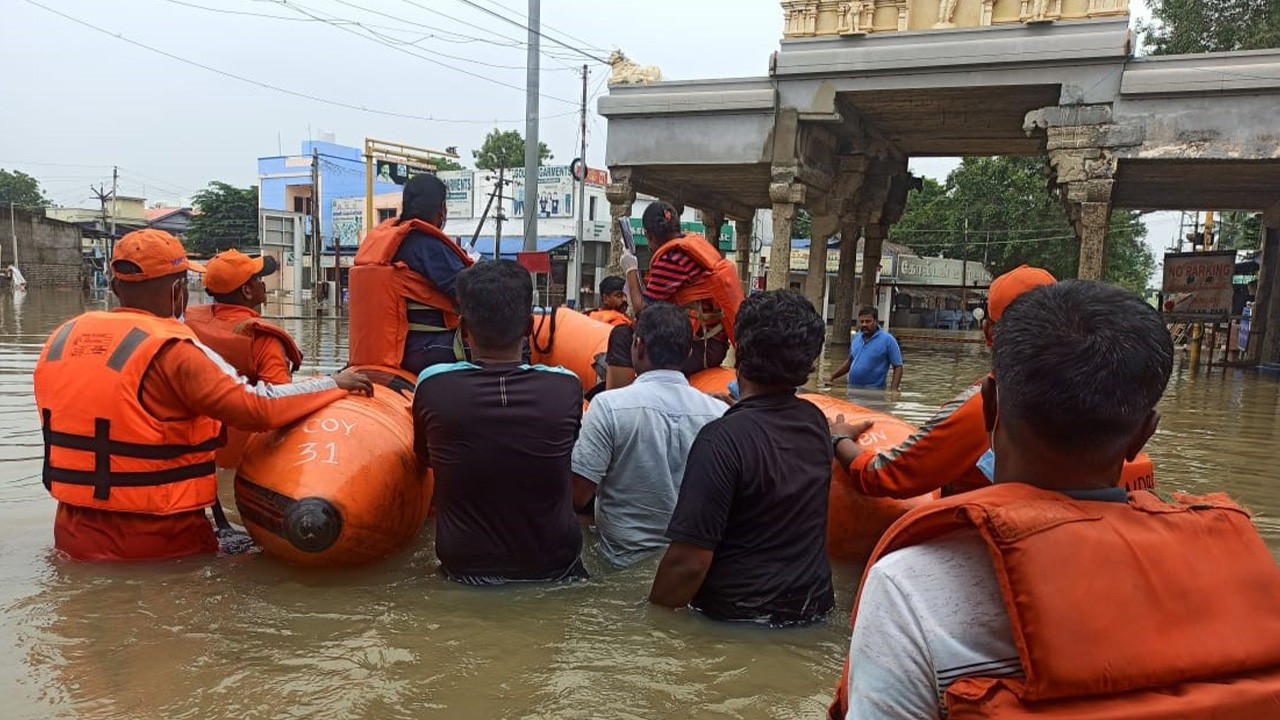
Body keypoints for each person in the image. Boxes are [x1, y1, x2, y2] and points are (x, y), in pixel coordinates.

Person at [834, 280, 1280, 720]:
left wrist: (837, 443)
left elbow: (889, 474)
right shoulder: (1248, 576)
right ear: (1144, 433)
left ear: (989, 408)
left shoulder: (907, 585)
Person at [32, 229, 372, 563]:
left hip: (71, 534)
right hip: (163, 541)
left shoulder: (61, 340)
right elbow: (258, 406)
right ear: (180, 290)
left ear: (117, 285)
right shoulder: (173, 350)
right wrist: (334, 383)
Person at [650, 290, 833, 625]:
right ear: (808, 364)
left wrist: (649, 620)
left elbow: (688, 563)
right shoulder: (816, 423)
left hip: (735, 619)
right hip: (813, 610)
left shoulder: (719, 440)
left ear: (740, 351)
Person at [412, 259, 586, 585]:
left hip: (465, 571)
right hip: (556, 570)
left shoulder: (433, 385)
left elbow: (424, 459)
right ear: (527, 328)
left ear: (464, 329)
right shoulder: (565, 387)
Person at [831, 265, 1055, 498]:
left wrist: (839, 438)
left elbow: (886, 474)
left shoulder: (987, 405)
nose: (864, 324)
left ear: (988, 332)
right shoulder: (1087, 399)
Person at [571, 303, 728, 567]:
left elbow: (577, 496)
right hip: (686, 568)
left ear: (639, 346)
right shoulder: (719, 413)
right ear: (689, 352)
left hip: (617, 562)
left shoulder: (608, 407)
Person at [185, 249, 303, 470]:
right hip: (247, 463)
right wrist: (329, 386)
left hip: (198, 456)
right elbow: (280, 404)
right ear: (247, 291)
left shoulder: (188, 324)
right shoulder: (262, 339)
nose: (263, 284)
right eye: (258, 279)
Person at [609, 201, 744, 389]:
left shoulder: (671, 260)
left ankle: (618, 403)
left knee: (622, 336)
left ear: (648, 235)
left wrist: (631, 270)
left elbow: (642, 310)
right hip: (712, 343)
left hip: (700, 348)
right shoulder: (693, 245)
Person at [349, 173, 474, 375]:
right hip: (425, 349)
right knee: (515, 343)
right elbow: (475, 295)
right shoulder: (427, 245)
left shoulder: (386, 240)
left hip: (389, 350)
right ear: (442, 209)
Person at [829, 305, 902, 390]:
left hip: (874, 392)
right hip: (852, 389)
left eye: (868, 321)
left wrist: (894, 390)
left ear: (876, 321)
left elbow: (898, 366)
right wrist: (833, 376)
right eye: (862, 321)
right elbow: (851, 361)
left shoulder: (888, 340)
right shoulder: (856, 337)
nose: (864, 324)